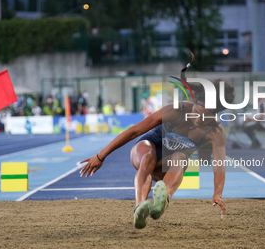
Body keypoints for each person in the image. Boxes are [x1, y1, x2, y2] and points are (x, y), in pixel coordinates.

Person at [79, 56, 235, 229]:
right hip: (148, 147)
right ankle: (140, 208)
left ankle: (162, 201)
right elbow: (134, 131)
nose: (197, 118)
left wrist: (217, 194)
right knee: (147, 157)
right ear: (194, 104)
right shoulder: (176, 111)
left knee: (181, 157)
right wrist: (101, 156)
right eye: (196, 111)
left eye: (204, 116)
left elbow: (219, 165)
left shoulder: (216, 132)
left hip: (168, 165)